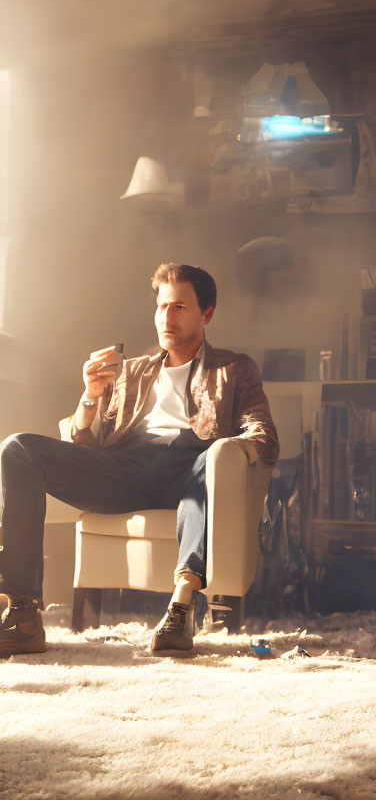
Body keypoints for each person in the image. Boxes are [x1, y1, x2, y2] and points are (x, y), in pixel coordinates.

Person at [0, 263, 278, 657]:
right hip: (125, 469)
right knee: (17, 448)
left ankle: (181, 607)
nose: (167, 316)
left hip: (191, 467)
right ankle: (24, 614)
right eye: (163, 307)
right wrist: (91, 396)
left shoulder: (234, 370)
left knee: (208, 463)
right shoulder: (132, 372)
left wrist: (227, 451)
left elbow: (262, 433)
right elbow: (86, 445)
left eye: (180, 307)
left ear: (207, 314)